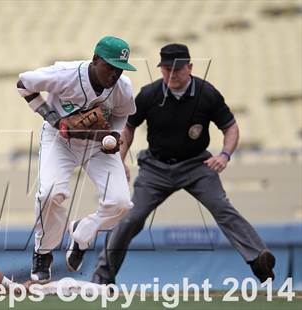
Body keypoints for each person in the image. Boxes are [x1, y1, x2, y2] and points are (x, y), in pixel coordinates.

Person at [92, 43, 276, 285]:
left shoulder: (207, 94)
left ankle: (259, 260)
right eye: (166, 69)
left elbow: (230, 127)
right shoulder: (150, 94)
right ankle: (102, 279)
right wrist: (120, 161)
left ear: (190, 67)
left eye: (177, 69)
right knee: (130, 218)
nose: (172, 74)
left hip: (196, 166)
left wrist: (224, 155)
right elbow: (129, 127)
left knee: (222, 208)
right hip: (155, 168)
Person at [16, 36, 137, 283]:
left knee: (121, 203)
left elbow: (122, 116)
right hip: (60, 140)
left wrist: (113, 137)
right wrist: (53, 118)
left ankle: (83, 233)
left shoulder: (123, 87)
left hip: (96, 144)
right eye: (110, 66)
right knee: (50, 192)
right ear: (95, 60)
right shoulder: (64, 74)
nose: (115, 73)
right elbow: (23, 84)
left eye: (120, 69)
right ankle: (43, 252)